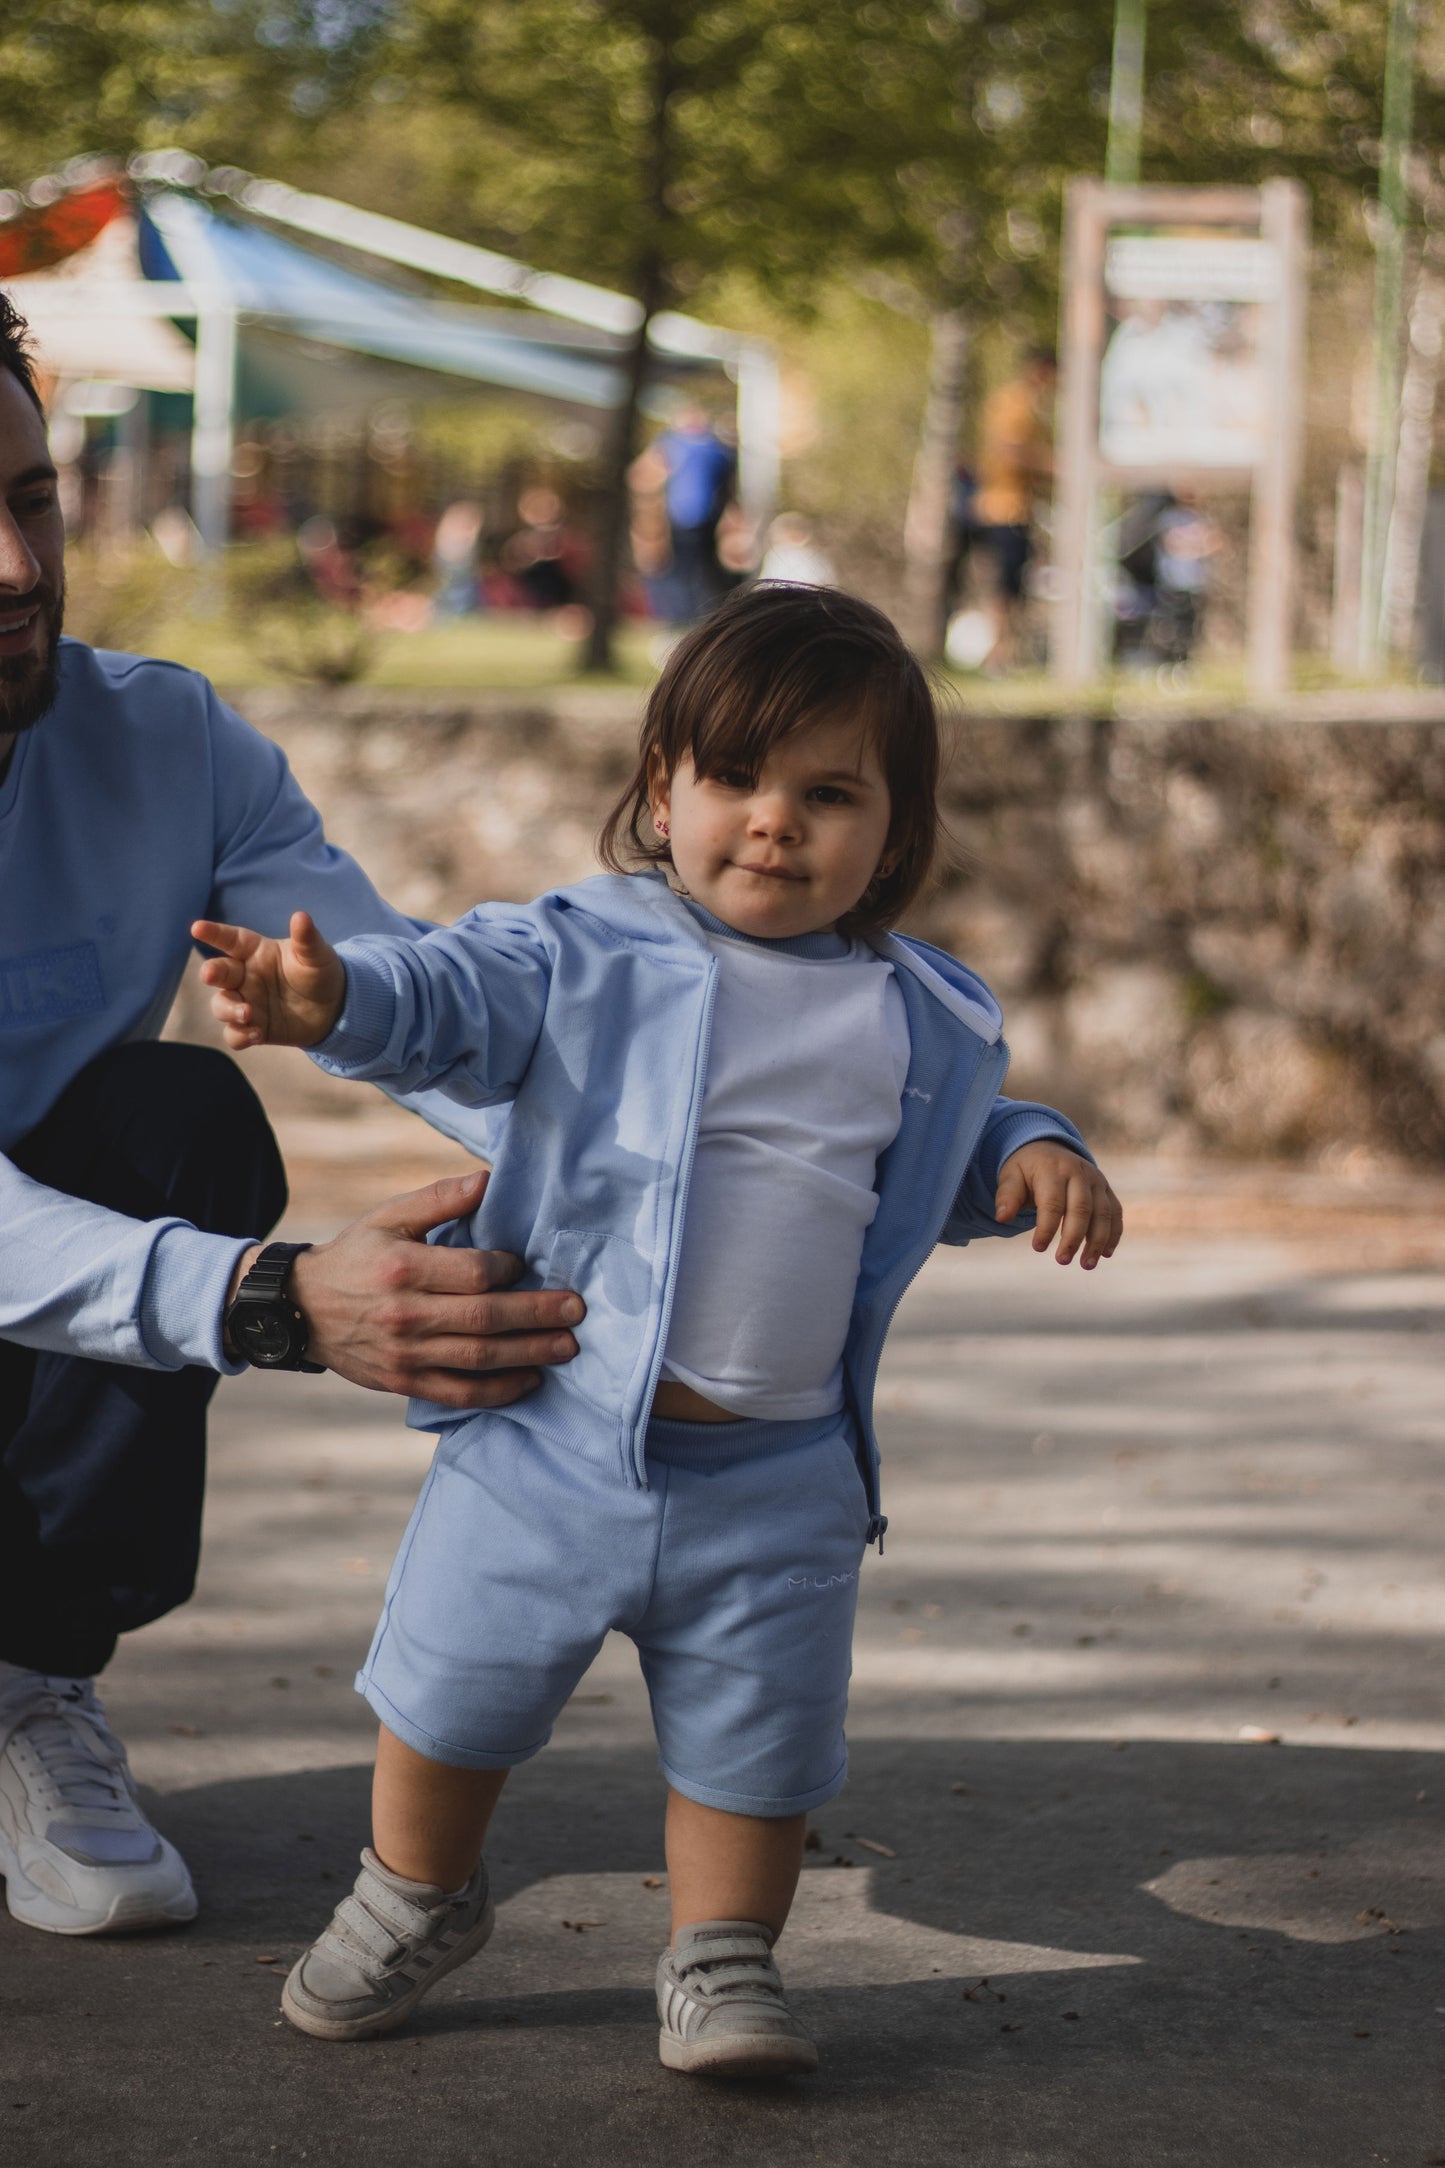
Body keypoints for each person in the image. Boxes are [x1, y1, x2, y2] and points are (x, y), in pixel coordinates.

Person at [196, 583, 1122, 2076]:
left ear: (894, 834)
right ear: (660, 792)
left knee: (758, 1758)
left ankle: (723, 1959)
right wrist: (337, 998)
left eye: (829, 795)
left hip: (779, 1476)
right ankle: (415, 1893)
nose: (774, 821)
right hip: (550, 1441)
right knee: (449, 1700)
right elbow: (445, 994)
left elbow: (960, 1151)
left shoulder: (918, 1016)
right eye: (735, 780)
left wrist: (1034, 1150)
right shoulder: (580, 954)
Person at [0, 291, 585, 1941]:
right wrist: (269, 1296)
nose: (18, 567)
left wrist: (716, 1096)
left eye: (34, 499)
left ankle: (27, 1681)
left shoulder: (163, 739)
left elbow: (411, 986)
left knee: (185, 1116)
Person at [972, 349, 1056, 670]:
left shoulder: (1020, 404)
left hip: (1014, 506)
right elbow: (1009, 451)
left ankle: (1005, 652)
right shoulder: (1015, 404)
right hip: (1004, 507)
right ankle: (999, 653)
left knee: (1014, 584)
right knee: (1004, 585)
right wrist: (1054, 465)